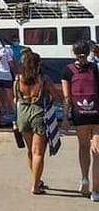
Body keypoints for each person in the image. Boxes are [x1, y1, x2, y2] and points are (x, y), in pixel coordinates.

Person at [15, 50, 59, 195]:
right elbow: (56, 96)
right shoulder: (44, 79)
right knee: (38, 153)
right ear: (37, 64)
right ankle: (35, 186)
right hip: (38, 113)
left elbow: (15, 98)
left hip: (22, 114)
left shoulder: (18, 79)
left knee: (30, 151)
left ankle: (36, 180)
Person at [61, 40, 99, 200]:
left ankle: (84, 178)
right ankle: (96, 191)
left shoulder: (67, 70)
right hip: (96, 112)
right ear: (89, 51)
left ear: (73, 53)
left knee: (83, 147)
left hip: (79, 113)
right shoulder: (95, 68)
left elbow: (67, 97)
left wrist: (64, 118)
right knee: (97, 151)